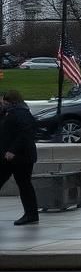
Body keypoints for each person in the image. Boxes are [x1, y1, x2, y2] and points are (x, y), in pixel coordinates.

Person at [0, 90, 39, 224]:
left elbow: (25, 133)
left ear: (10, 101)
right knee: (24, 185)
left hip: (20, 157)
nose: (2, 103)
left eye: (4, 101)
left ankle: (31, 214)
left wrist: (12, 150)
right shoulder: (11, 112)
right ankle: (31, 214)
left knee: (24, 185)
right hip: (12, 157)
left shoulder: (20, 112)